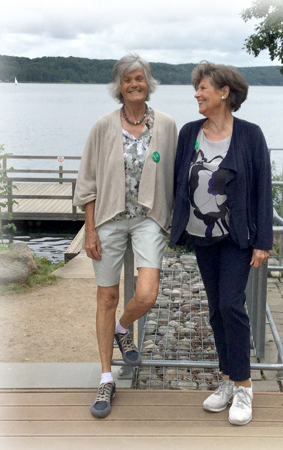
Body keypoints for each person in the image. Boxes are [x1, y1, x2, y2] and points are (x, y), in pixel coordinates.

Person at [73, 54, 177, 419]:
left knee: (146, 293)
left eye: (140, 78)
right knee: (107, 296)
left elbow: (177, 174)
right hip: (109, 218)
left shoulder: (165, 125)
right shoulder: (103, 126)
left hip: (149, 217)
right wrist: (90, 229)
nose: (134, 84)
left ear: (149, 83)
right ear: (119, 86)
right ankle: (106, 378)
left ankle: (123, 328)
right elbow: (86, 181)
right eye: (127, 80)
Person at [170, 61, 273, 426]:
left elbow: (263, 189)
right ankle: (227, 380)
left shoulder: (250, 134)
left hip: (237, 236)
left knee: (232, 305)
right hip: (201, 236)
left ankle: (244, 386)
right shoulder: (188, 133)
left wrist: (263, 241)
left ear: (224, 92)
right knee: (215, 309)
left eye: (203, 88)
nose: (197, 94)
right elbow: (177, 181)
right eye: (196, 89)